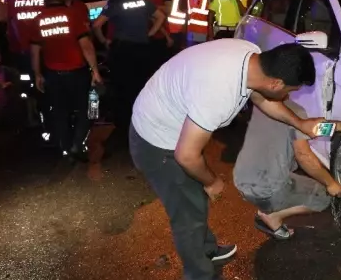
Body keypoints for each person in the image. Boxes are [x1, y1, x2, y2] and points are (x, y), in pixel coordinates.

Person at [130, 40, 329, 280]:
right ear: (275, 82)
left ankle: (208, 250)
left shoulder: (251, 55)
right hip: (158, 143)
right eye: (289, 91)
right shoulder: (217, 93)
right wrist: (212, 182)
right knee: (187, 217)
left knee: (194, 201)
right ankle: (199, 274)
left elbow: (262, 98)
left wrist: (299, 123)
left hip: (173, 127)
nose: (287, 96)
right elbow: (186, 156)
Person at [234, 106, 341, 239]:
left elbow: (303, 127)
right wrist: (330, 183)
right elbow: (303, 155)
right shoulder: (294, 110)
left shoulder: (263, 103)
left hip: (242, 178)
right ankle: (272, 217)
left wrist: (338, 127)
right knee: (323, 196)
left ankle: (270, 204)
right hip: (266, 188)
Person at [30, 0, 103, 161]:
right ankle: (77, 145)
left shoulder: (38, 20)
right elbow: (86, 45)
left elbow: (34, 51)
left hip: (52, 74)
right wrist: (95, 71)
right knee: (88, 109)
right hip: (77, 73)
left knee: (60, 112)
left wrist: (37, 74)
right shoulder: (73, 15)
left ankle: (66, 147)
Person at [92, 0, 166, 140]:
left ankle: (125, 129)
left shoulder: (115, 2)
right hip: (143, 50)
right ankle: (145, 126)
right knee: (141, 88)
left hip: (123, 52)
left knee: (123, 90)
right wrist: (149, 34)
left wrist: (104, 41)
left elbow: (97, 25)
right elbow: (161, 17)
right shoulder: (141, 0)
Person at [7, 0, 46, 72]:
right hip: (43, 49)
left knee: (25, 78)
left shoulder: (13, 0)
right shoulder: (46, 0)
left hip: (20, 50)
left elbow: (12, 24)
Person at [142, 0, 174, 66]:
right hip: (148, 36)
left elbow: (169, 9)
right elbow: (152, 17)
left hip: (163, 37)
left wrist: (151, 6)